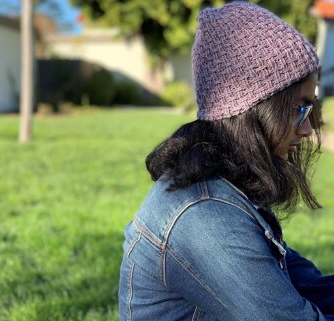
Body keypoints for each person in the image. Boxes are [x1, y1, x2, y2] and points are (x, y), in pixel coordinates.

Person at [118, 2, 334, 321]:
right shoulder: (205, 215)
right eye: (298, 108)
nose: (306, 129)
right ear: (254, 109)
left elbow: (294, 278)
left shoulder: (225, 181)